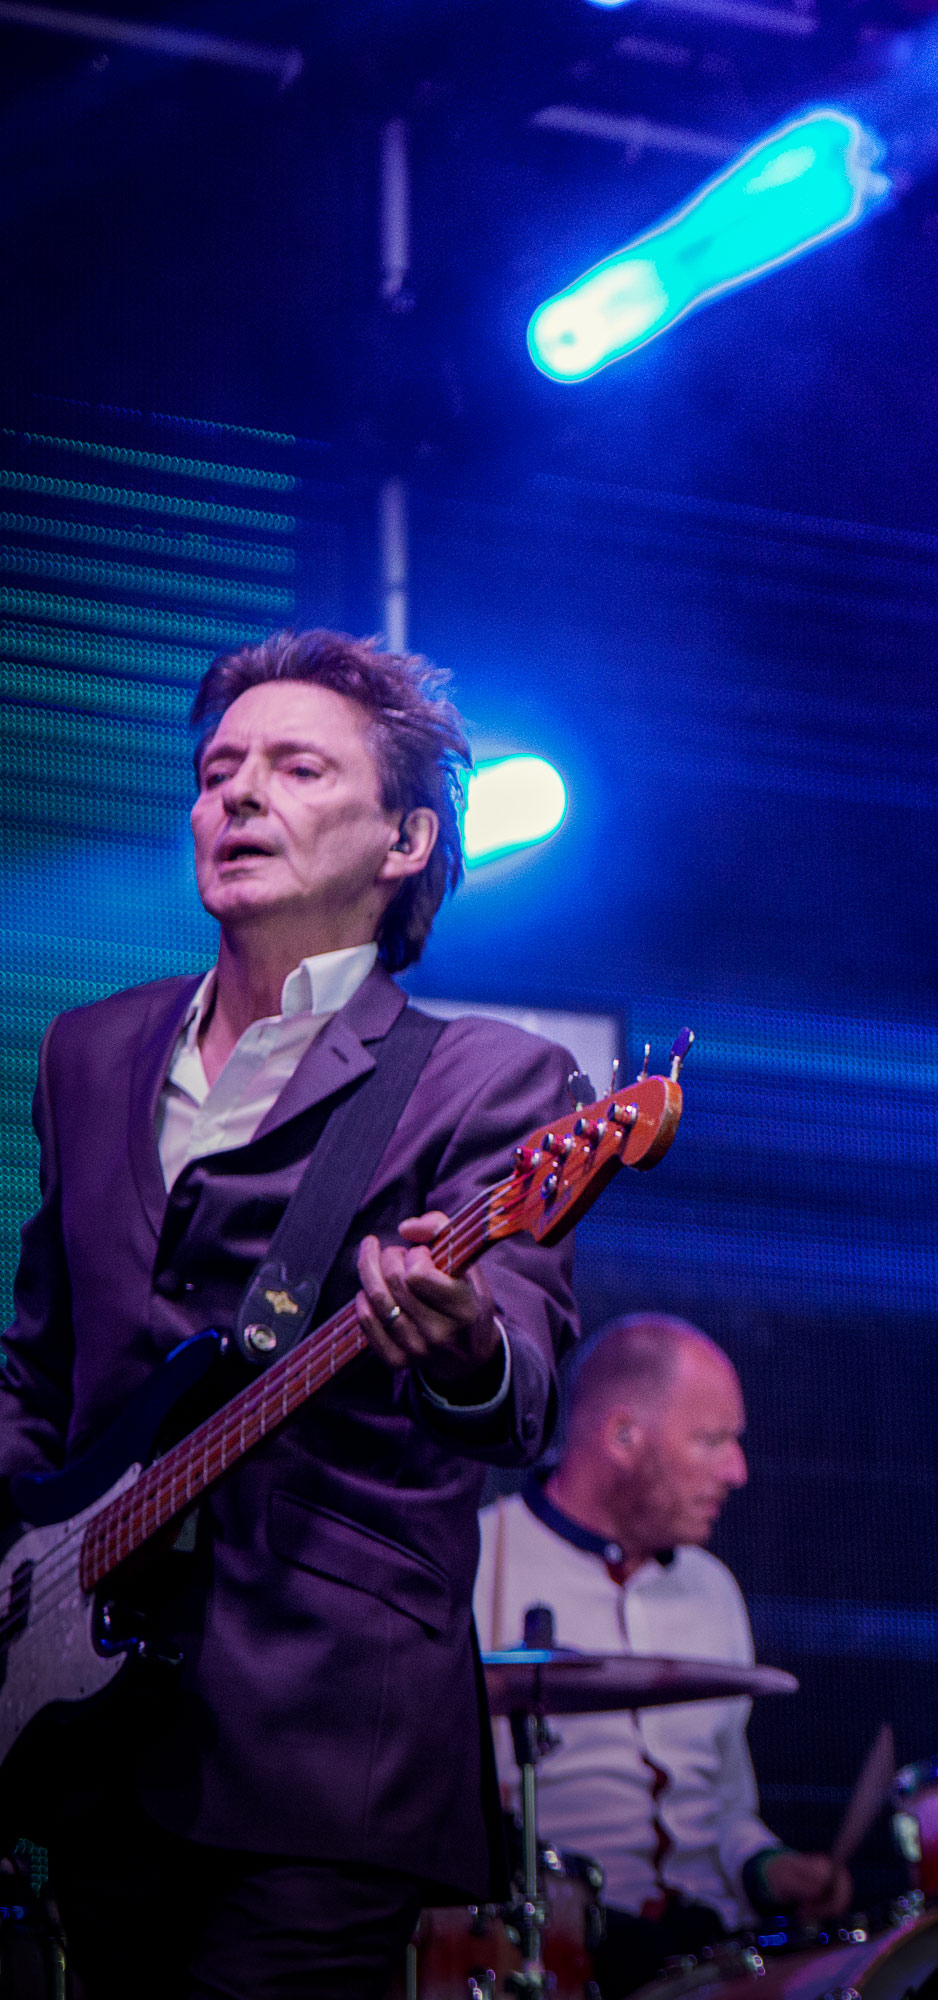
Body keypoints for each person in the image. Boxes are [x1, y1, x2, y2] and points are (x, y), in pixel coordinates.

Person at [0, 630, 581, 1996]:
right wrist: (24, 1558)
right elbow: (37, 1357)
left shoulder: (490, 1081)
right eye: (216, 772)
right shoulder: (87, 1051)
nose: (237, 796)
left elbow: (526, 1374)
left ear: (403, 839)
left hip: (325, 1745)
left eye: (295, 766)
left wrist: (467, 1345)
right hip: (86, 1735)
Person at [473, 1313, 849, 1992]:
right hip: (564, 1948)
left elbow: (727, 1809)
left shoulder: (713, 1588)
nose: (737, 1471)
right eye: (712, 1442)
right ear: (622, 1437)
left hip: (715, 1946)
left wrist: (768, 1866)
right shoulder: (481, 1563)